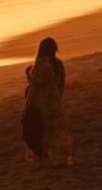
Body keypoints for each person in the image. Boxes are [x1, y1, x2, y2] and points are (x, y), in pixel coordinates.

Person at [27, 37, 72, 168]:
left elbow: (36, 83)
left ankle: (45, 159)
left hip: (42, 101)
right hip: (55, 99)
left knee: (43, 131)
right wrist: (59, 97)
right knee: (56, 129)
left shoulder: (41, 64)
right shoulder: (59, 64)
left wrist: (28, 74)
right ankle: (61, 158)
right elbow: (61, 83)